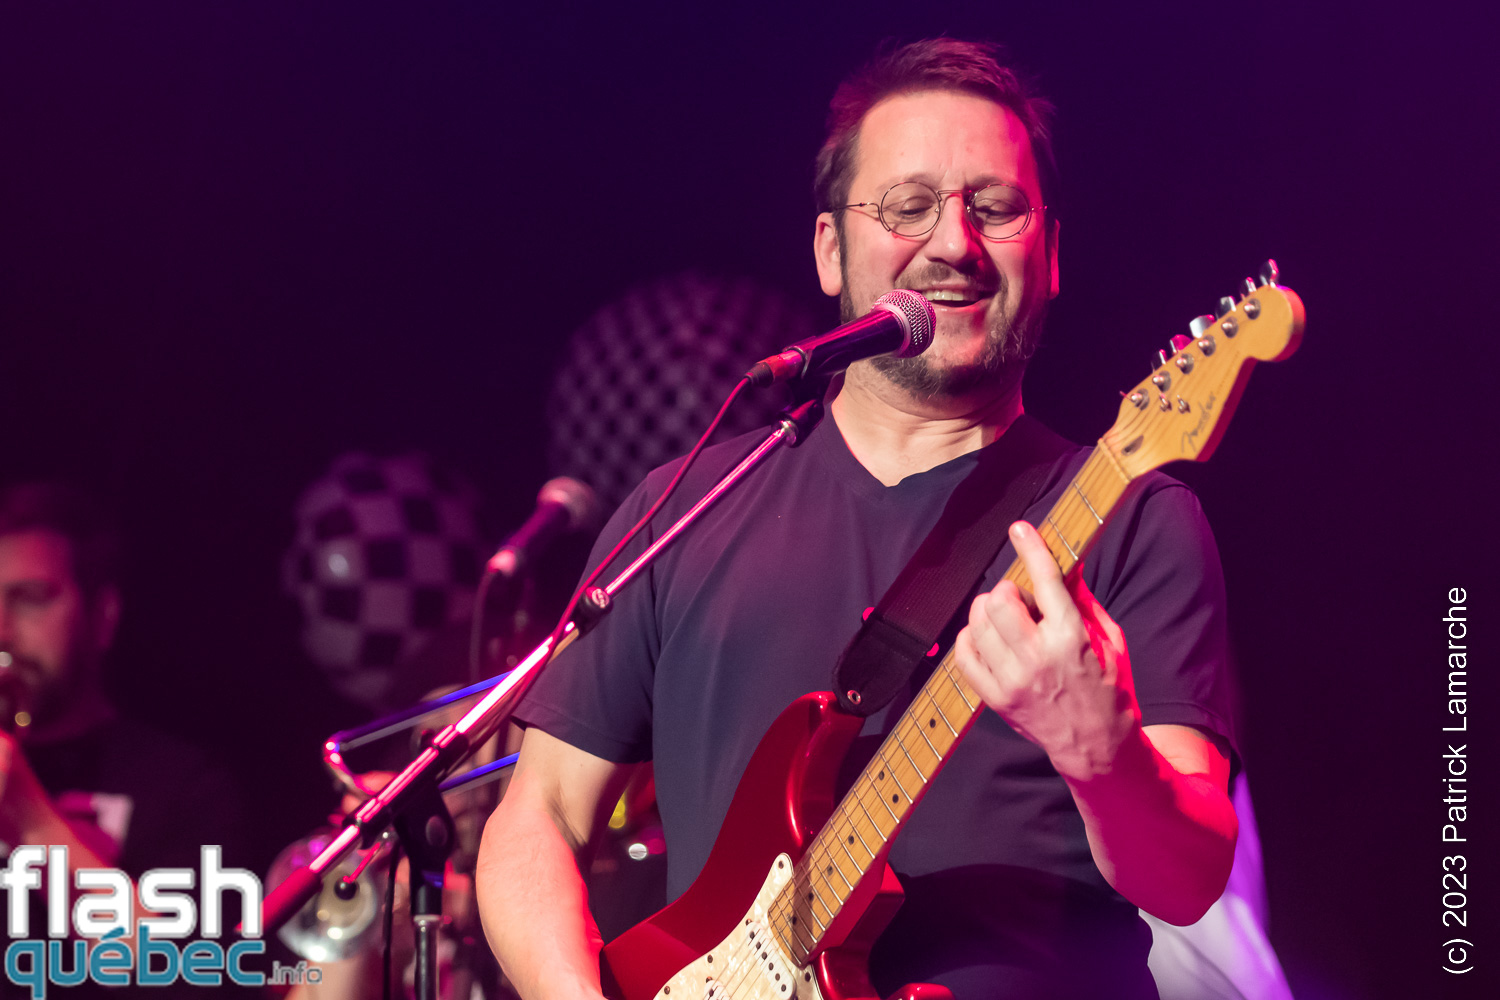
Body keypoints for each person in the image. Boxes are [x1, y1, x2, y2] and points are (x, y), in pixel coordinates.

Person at [476, 39, 1239, 1000]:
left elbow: (1186, 884)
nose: (954, 244)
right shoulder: (687, 510)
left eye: (995, 208)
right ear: (831, 251)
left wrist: (1102, 753)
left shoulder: (1133, 518)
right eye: (907, 206)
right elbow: (539, 813)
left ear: (1050, 254)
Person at [0, 481, 251, 995]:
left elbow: (188, 972)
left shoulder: (182, 786)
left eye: (30, 599)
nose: (0, 630)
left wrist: (28, 816)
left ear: (102, 617)